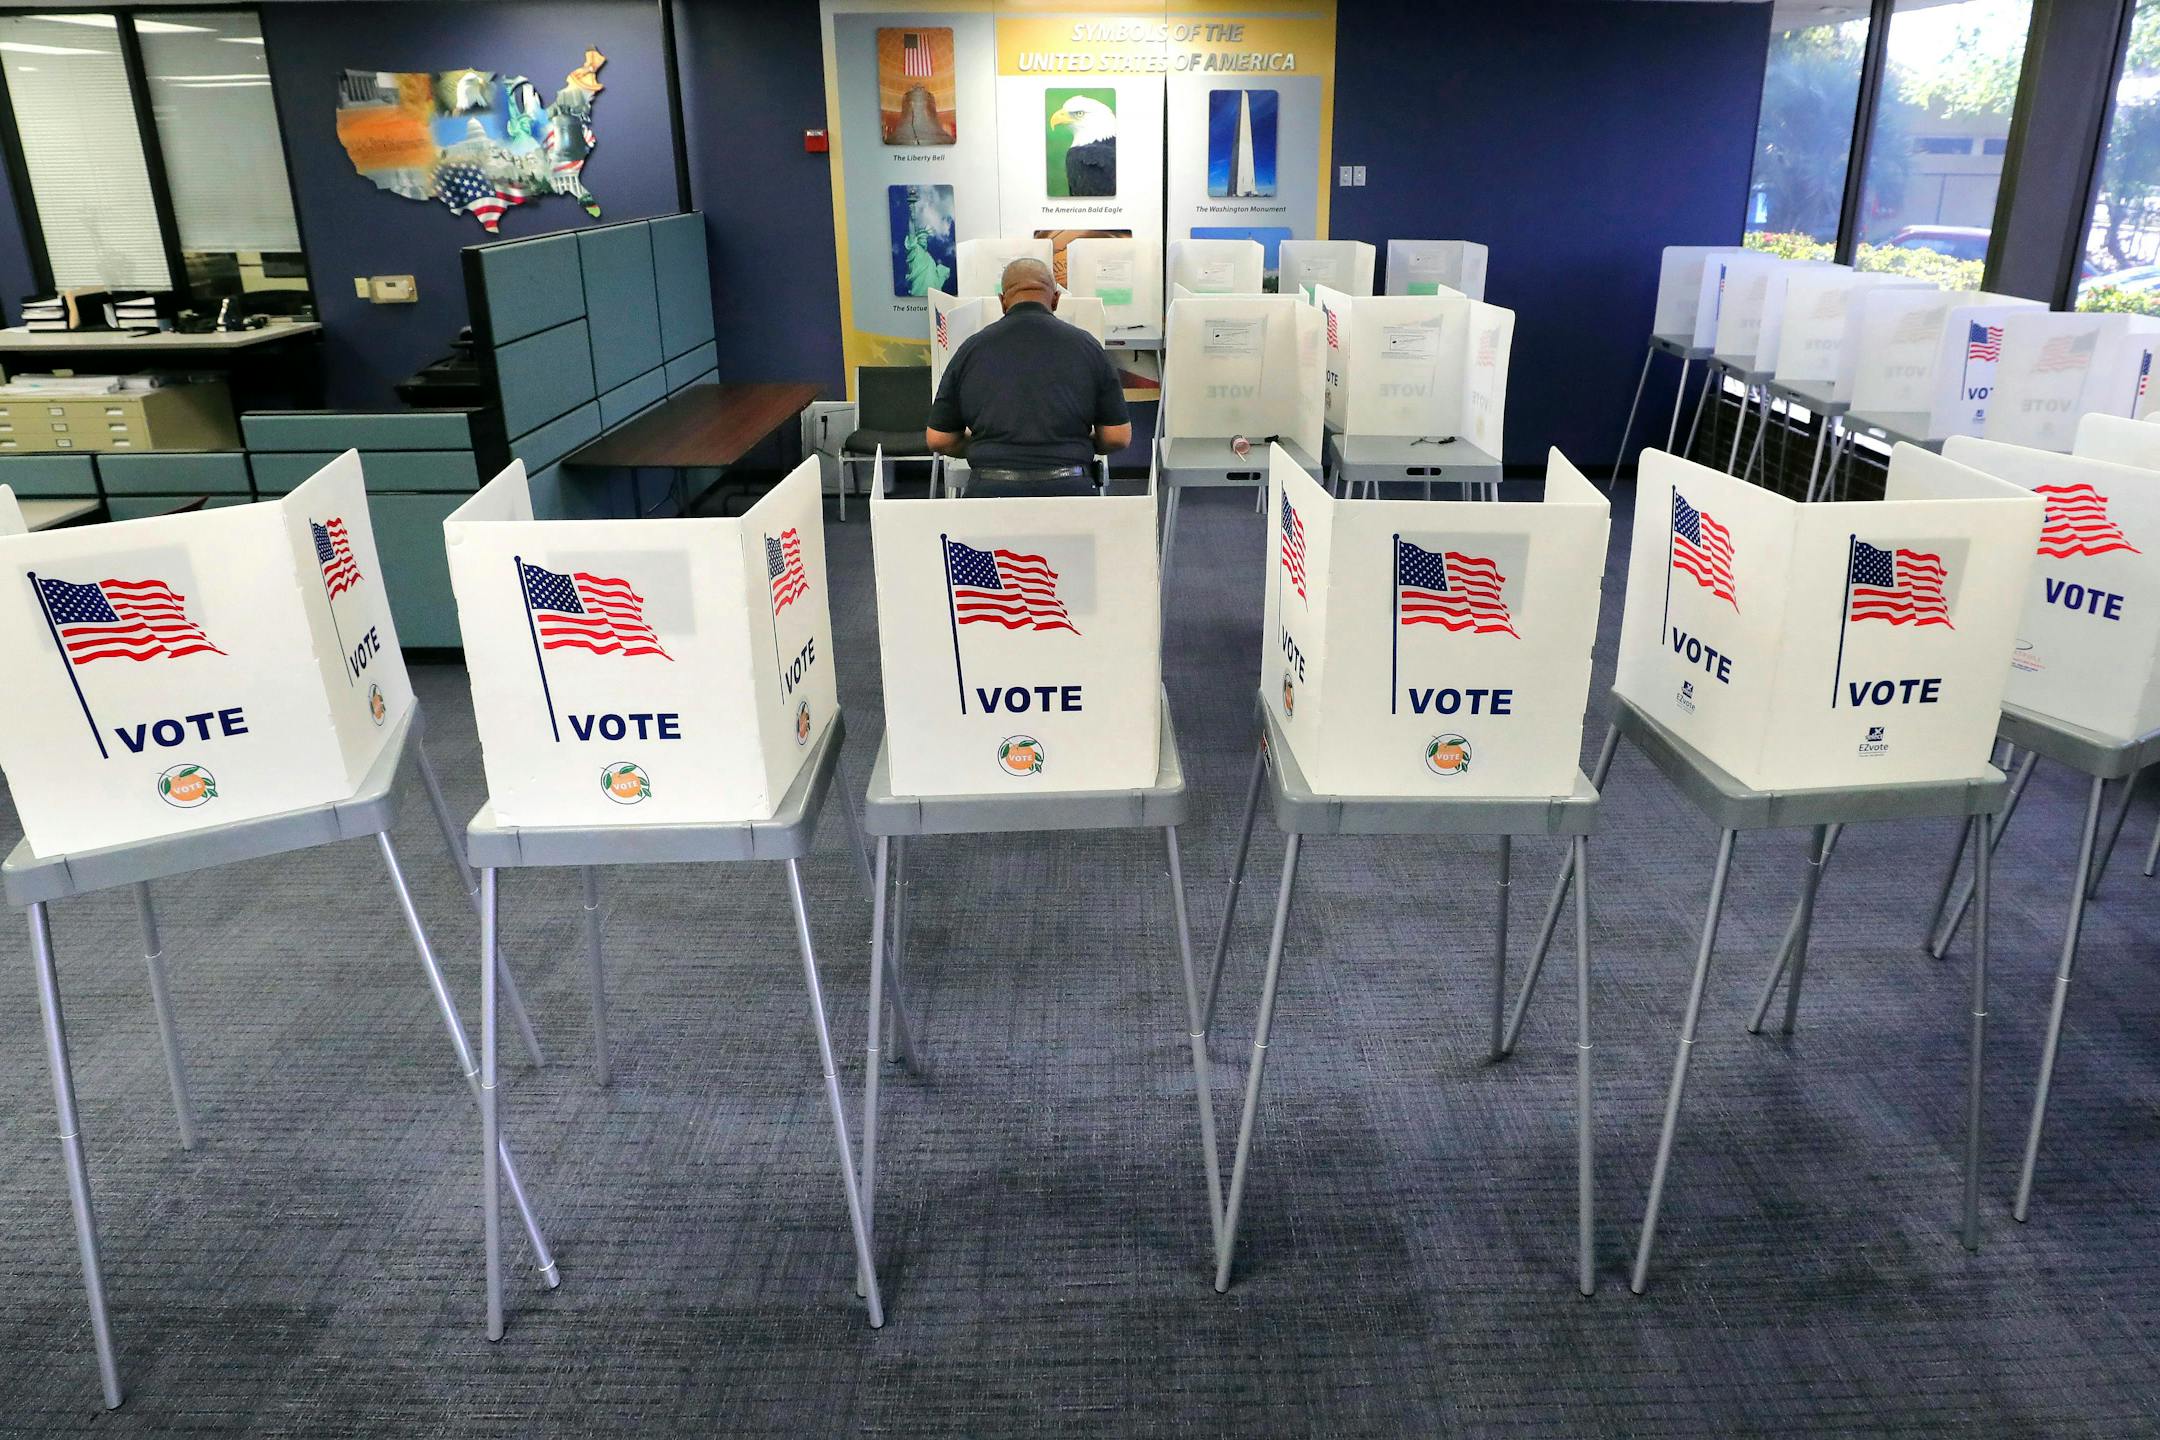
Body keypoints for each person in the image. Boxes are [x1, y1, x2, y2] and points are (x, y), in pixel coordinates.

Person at [925, 258, 1131, 496]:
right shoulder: (1088, 347)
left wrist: (987, 444)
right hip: (1071, 492)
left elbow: (938, 439)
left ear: (1002, 301)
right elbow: (1118, 437)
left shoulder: (971, 349)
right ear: (1055, 299)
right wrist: (1074, 443)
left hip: (990, 493)